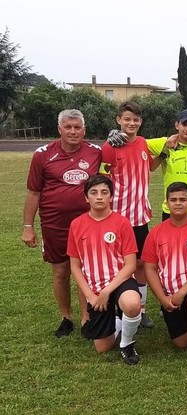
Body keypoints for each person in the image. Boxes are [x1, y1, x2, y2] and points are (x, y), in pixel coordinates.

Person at [22, 109, 101, 337]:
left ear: (84, 130)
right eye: (68, 127)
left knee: (85, 272)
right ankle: (66, 317)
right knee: (61, 271)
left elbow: (119, 153)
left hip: (88, 224)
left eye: (77, 127)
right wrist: (28, 227)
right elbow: (34, 192)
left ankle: (87, 318)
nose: (73, 131)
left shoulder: (95, 152)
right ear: (60, 129)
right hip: (55, 224)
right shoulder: (43, 154)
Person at [100, 101, 163, 328]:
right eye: (127, 119)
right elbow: (103, 179)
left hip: (140, 216)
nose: (131, 123)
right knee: (118, 264)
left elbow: (150, 167)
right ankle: (119, 309)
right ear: (118, 120)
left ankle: (142, 308)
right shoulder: (110, 147)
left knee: (141, 263)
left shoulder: (144, 143)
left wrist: (164, 155)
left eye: (135, 120)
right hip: (118, 218)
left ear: (141, 122)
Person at [67, 175, 142, 365]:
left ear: (111, 197)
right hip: (95, 288)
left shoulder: (122, 223)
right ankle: (117, 322)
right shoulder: (76, 225)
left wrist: (107, 291)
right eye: (93, 193)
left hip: (120, 281)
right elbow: (75, 266)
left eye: (104, 192)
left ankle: (127, 344)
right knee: (103, 347)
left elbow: (131, 265)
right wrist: (91, 296)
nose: (99, 197)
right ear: (86, 198)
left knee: (132, 304)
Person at [142, 182, 187, 362]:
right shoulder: (156, 233)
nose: (178, 203)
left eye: (182, 199)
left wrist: (182, 292)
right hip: (170, 293)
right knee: (181, 343)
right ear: (167, 203)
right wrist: (163, 298)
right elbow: (150, 268)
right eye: (173, 200)